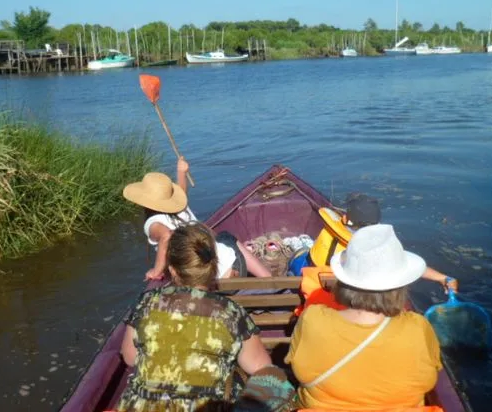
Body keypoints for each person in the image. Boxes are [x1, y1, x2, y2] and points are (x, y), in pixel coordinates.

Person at [118, 223, 272, 411]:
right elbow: (262, 369)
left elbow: (130, 357)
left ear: (173, 270)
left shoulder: (146, 302)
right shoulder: (230, 312)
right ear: (212, 267)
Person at [287, 224, 442, 410]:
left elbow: (297, 369)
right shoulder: (418, 328)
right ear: (400, 285)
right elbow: (429, 378)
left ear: (344, 281)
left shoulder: (313, 319)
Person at [123, 157, 271, 280]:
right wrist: (181, 172)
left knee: (218, 241)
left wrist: (156, 271)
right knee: (226, 237)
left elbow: (166, 236)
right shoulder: (180, 208)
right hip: (238, 266)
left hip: (210, 280)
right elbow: (182, 193)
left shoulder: (152, 223)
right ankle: (267, 278)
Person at [308, 193, 458, 292]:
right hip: (344, 285)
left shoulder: (333, 230)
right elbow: (401, 262)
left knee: (301, 249)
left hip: (315, 270)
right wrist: (441, 277)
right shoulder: (376, 248)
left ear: (346, 219)